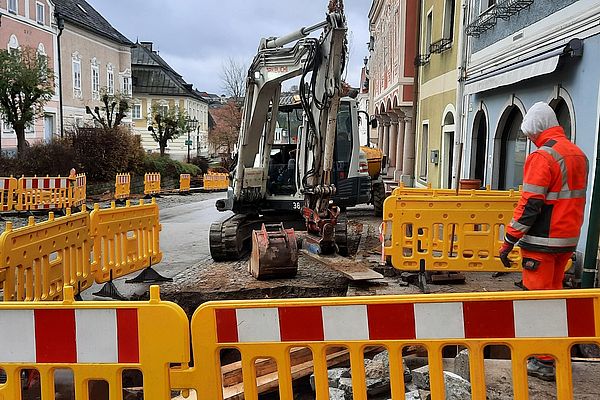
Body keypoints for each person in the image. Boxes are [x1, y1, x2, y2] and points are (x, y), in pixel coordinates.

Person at [498, 102, 589, 381]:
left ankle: (544, 361)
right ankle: (557, 351)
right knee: (555, 297)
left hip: (542, 241)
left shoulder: (543, 157)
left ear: (537, 129)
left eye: (529, 135)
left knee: (537, 300)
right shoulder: (578, 154)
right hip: (567, 239)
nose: (529, 140)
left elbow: (530, 204)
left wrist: (509, 239)